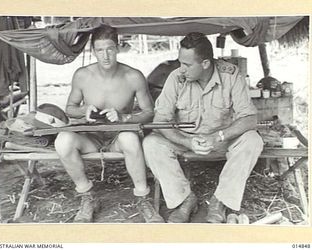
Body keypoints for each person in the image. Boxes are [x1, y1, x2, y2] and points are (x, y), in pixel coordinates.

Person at [143, 32, 264, 223]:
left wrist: (219, 136)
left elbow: (250, 118)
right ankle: (185, 200)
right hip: (186, 140)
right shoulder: (176, 78)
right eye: (180, 62)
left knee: (253, 140)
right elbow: (160, 121)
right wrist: (187, 141)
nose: (181, 69)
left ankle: (220, 202)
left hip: (223, 139)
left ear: (206, 64)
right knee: (151, 143)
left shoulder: (230, 75)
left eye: (187, 65)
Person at [54, 24, 164, 223]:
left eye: (110, 49)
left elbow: (149, 112)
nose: (105, 56)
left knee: (130, 138)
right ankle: (87, 197)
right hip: (91, 136)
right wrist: (83, 110)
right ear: (93, 51)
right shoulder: (82, 75)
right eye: (100, 50)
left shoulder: (133, 76)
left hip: (118, 136)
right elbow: (70, 108)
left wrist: (124, 117)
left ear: (118, 48)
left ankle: (143, 199)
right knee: (63, 141)